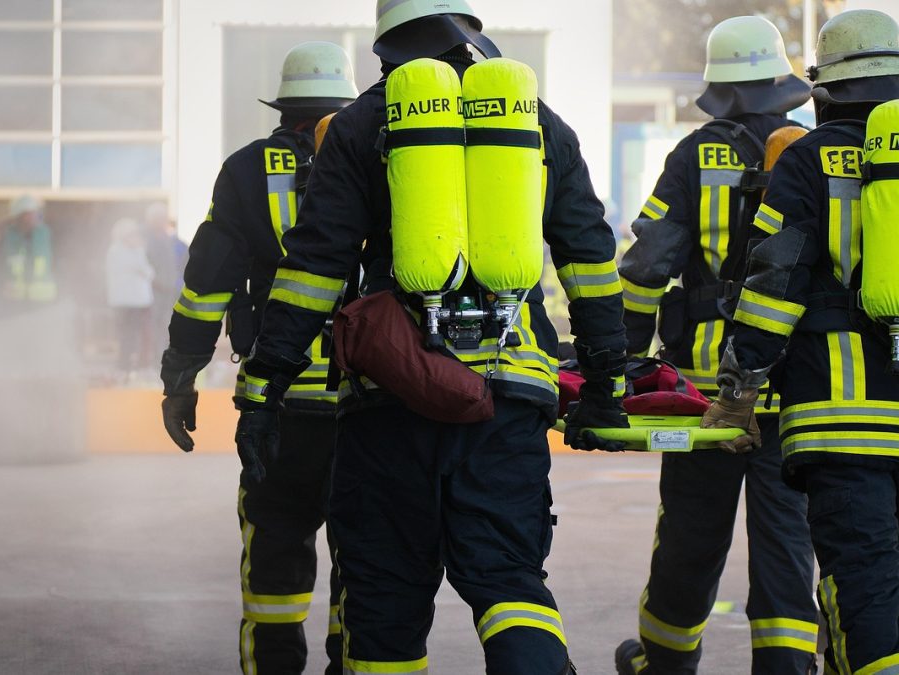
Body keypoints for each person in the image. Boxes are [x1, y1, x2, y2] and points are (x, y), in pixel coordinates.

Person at [222, 2, 628, 672]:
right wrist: (607, 380)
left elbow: (315, 268)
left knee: (384, 598)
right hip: (508, 395)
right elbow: (588, 260)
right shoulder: (537, 124)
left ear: (385, 46)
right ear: (468, 30)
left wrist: (265, 384)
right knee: (510, 584)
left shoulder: (360, 125)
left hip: (392, 396)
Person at [614, 16, 818, 675]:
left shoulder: (691, 156)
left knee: (688, 540)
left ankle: (665, 664)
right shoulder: (811, 154)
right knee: (787, 544)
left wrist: (624, 365)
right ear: (778, 83)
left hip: (701, 395)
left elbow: (646, 268)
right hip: (792, 389)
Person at [701, 9, 899, 675]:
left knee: (866, 585)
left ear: (826, 88)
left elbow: (772, 285)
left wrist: (736, 394)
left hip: (841, 424)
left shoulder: (808, 159)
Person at [159, 41, 358, 675]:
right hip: (371, 403)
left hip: (280, 403)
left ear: (284, 106)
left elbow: (207, 287)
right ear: (344, 105)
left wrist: (180, 378)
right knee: (368, 557)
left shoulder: (245, 170)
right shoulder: (380, 160)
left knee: (274, 551)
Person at [107, 217, 155, 378]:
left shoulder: (136, 251)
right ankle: (124, 367)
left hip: (139, 302)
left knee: (138, 336)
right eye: (132, 234)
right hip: (127, 303)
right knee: (127, 336)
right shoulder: (117, 252)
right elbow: (144, 270)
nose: (137, 238)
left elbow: (149, 273)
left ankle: (136, 366)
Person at [0, 195, 57, 318]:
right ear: (19, 216)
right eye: (29, 214)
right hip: (15, 302)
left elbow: (58, 262)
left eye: (35, 213)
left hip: (43, 301)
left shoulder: (45, 234)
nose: (33, 217)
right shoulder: (8, 237)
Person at [143, 202, 182, 363]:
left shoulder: (167, 239)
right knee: (151, 328)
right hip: (154, 291)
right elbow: (144, 264)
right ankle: (152, 362)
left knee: (166, 327)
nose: (163, 221)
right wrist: (155, 281)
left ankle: (163, 360)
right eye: (160, 218)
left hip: (168, 290)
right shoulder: (147, 239)